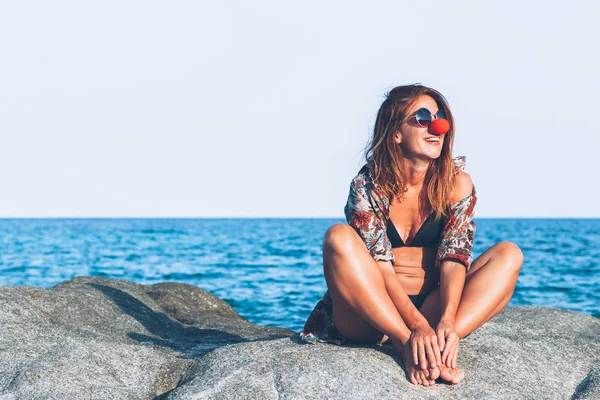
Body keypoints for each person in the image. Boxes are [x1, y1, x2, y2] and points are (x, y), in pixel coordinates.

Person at [299, 84, 524, 386]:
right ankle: (408, 348)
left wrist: (446, 322)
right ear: (395, 133)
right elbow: (381, 268)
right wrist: (411, 332)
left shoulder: (458, 185)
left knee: (509, 254)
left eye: (440, 116)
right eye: (422, 117)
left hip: (431, 307)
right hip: (372, 316)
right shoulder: (367, 187)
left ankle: (441, 348)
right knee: (337, 237)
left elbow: (454, 259)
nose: (437, 126)